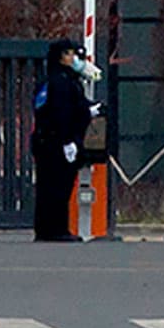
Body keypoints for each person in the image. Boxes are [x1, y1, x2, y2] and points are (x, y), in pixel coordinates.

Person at [30, 39, 100, 241]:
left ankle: (47, 229)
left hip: (52, 141)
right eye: (69, 54)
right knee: (56, 187)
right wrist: (67, 140)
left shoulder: (65, 80)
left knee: (54, 186)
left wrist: (89, 109)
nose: (74, 59)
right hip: (55, 142)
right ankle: (54, 230)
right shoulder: (58, 82)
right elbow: (60, 113)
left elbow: (75, 107)